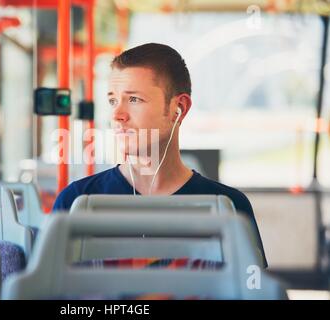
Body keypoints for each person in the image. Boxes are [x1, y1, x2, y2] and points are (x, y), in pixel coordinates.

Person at [52, 43, 267, 267]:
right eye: (113, 101)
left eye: (134, 99)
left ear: (179, 108)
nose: (116, 115)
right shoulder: (74, 201)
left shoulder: (230, 208)